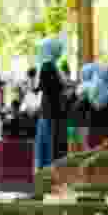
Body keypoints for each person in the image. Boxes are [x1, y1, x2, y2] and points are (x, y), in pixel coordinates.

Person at [33, 39, 68, 172]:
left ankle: (46, 174)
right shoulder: (52, 66)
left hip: (49, 113)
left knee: (47, 146)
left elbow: (40, 88)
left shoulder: (47, 66)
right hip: (53, 112)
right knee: (51, 146)